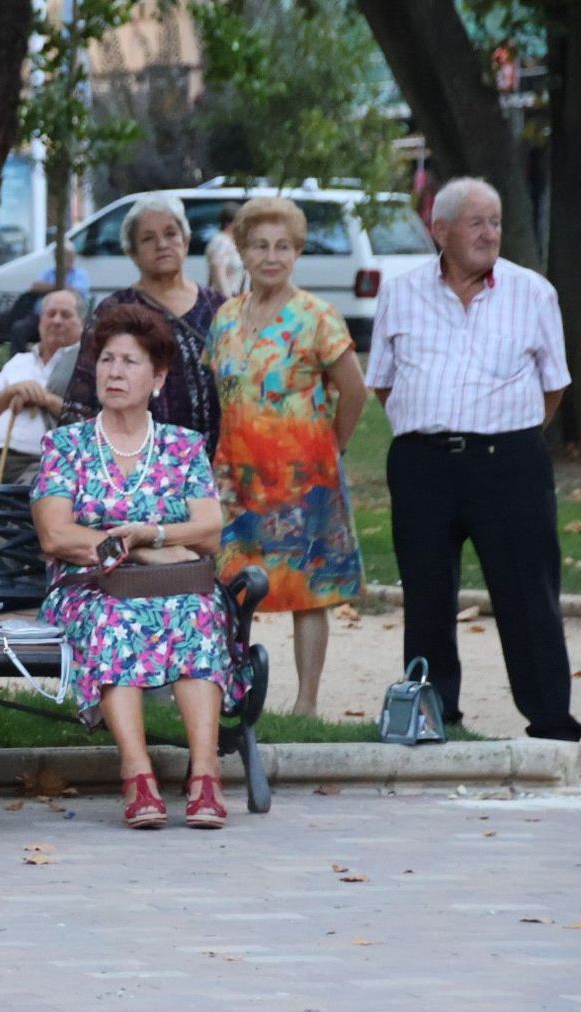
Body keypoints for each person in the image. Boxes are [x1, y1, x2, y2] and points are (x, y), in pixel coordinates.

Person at [366, 177, 581, 743]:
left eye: (497, 222)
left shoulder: (532, 292)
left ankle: (551, 719)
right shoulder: (401, 291)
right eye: (477, 223)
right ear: (440, 231)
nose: (491, 235)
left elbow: (552, 388)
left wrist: (503, 430)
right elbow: (384, 383)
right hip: (421, 464)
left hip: (508, 460)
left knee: (528, 593)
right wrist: (430, 423)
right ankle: (434, 714)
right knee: (426, 593)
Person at [32, 304, 232, 830]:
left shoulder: (183, 447)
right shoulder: (66, 445)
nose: (114, 372)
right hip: (88, 588)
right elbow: (55, 534)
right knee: (115, 617)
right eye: (107, 360)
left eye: (130, 363)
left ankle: (205, 774)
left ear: (158, 378)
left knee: (196, 611)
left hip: (172, 586)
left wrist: (156, 534)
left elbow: (209, 530)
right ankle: (137, 773)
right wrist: (141, 549)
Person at [203, 197, 367, 719]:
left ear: (296, 253)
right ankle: (231, 693)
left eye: (282, 247)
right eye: (259, 246)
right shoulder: (225, 318)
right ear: (243, 252)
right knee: (227, 586)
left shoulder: (317, 316)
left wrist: (331, 446)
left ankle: (306, 703)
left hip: (304, 479)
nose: (270, 257)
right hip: (235, 477)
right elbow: (221, 394)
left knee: (307, 589)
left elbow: (354, 390)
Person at [57, 193, 223, 457]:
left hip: (211, 462)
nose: (162, 244)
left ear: (186, 240)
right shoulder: (115, 311)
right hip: (135, 467)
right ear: (132, 253)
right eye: (148, 238)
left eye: (171, 233)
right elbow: (82, 397)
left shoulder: (218, 308)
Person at [0, 289, 85, 484]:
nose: (57, 321)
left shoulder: (87, 366)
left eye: (66, 315)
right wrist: (12, 392)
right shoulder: (19, 362)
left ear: (82, 323)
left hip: (47, 461)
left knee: (37, 489)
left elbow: (90, 421)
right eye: (50, 314)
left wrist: (44, 398)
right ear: (40, 320)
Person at [206, 201, 245, 297]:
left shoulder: (231, 242)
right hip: (224, 300)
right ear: (229, 223)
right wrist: (228, 303)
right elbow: (219, 273)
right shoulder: (221, 242)